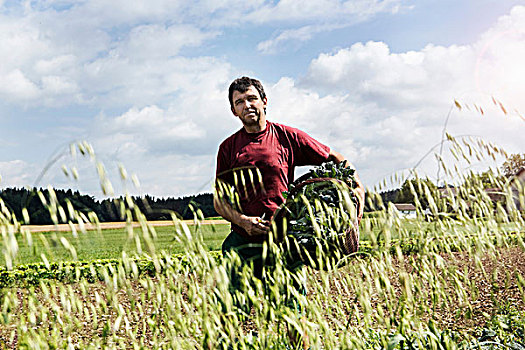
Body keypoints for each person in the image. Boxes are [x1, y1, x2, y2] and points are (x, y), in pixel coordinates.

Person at [213, 76, 365, 348]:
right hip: (243, 244)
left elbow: (336, 159)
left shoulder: (287, 136)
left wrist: (356, 185)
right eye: (239, 102)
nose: (246, 105)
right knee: (229, 316)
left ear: (264, 101)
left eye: (251, 98)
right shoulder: (228, 148)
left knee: (293, 318)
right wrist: (243, 221)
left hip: (285, 243)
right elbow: (219, 202)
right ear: (233, 110)